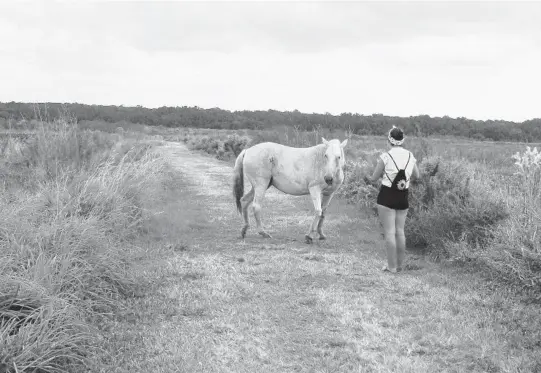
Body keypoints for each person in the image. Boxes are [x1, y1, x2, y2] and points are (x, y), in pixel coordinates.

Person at [363, 126, 420, 273]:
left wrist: (366, 177)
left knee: (389, 232)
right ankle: (400, 266)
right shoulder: (410, 156)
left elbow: (373, 178)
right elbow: (417, 176)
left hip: (387, 196)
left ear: (389, 140)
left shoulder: (385, 156)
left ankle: (391, 267)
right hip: (403, 196)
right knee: (400, 231)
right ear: (402, 140)